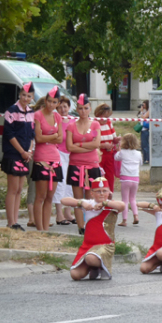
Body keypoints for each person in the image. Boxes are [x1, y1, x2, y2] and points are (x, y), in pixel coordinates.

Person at [61, 177, 125, 280]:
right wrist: (82, 203)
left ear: (109, 192)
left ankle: (98, 266)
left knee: (90, 258)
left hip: (105, 246)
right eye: (98, 191)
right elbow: (63, 200)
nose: (101, 194)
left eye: (104, 191)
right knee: (75, 275)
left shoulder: (111, 205)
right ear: (92, 193)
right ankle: (93, 268)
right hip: (87, 246)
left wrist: (105, 203)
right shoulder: (89, 203)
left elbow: (122, 206)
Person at [66, 94, 103, 235]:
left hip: (92, 165)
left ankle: (90, 225)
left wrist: (79, 144)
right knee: (78, 198)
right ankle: (81, 227)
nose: (83, 111)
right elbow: (69, 147)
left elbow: (96, 143)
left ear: (90, 109)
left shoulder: (95, 124)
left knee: (90, 197)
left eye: (85, 108)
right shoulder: (71, 125)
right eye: (80, 108)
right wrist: (87, 147)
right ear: (77, 109)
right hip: (76, 164)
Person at [2, 82, 35, 231]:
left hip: (25, 155)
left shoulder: (31, 112)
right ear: (19, 95)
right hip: (13, 154)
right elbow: (9, 134)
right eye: (23, 95)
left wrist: (29, 151)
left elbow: (32, 135)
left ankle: (15, 221)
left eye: (29, 96)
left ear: (32, 97)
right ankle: (10, 222)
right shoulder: (11, 111)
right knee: (13, 188)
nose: (26, 98)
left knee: (20, 188)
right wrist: (22, 151)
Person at [32, 86, 64, 231]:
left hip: (55, 158)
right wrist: (52, 137)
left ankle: (46, 229)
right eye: (49, 101)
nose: (51, 104)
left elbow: (61, 139)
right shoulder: (38, 115)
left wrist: (48, 138)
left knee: (50, 197)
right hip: (41, 158)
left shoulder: (57, 116)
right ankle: (40, 229)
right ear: (45, 100)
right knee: (40, 196)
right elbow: (38, 138)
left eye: (54, 102)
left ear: (58, 103)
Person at [54, 97, 76, 225]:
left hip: (72, 154)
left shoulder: (74, 120)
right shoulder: (56, 120)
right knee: (60, 183)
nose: (63, 109)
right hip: (59, 153)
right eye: (60, 107)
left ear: (69, 107)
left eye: (65, 106)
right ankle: (59, 214)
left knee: (70, 184)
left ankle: (68, 212)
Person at [115, 133, 142, 227]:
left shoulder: (122, 152)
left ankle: (124, 220)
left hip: (125, 178)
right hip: (135, 178)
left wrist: (118, 149)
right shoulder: (138, 153)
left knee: (125, 200)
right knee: (133, 199)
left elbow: (116, 158)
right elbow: (141, 163)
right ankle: (136, 216)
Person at [94, 104, 119, 192]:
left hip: (109, 154)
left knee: (110, 177)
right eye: (104, 117)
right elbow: (92, 142)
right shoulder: (94, 124)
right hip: (98, 154)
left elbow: (114, 138)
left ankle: (109, 199)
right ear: (98, 114)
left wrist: (117, 140)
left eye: (107, 117)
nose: (106, 119)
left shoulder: (109, 122)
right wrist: (103, 145)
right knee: (99, 177)